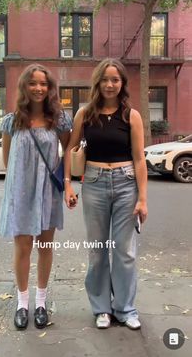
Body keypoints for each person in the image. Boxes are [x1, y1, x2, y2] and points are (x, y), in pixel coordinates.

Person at [64, 58, 148, 330]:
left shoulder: (131, 115)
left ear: (122, 83)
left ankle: (125, 309)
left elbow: (139, 159)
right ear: (97, 82)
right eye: (105, 79)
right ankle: (102, 308)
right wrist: (67, 183)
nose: (110, 84)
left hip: (126, 184)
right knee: (98, 250)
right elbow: (70, 149)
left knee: (125, 251)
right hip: (94, 183)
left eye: (115, 79)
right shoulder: (84, 114)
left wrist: (142, 198)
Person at [0, 63, 71, 330]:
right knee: (22, 248)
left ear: (50, 88)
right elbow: (8, 159)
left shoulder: (60, 120)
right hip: (20, 192)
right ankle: (22, 303)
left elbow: (69, 152)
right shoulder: (11, 121)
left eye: (43, 84)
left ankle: (41, 302)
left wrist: (66, 184)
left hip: (48, 191)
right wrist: (17, 188)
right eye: (33, 83)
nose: (38, 88)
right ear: (24, 87)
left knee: (45, 247)